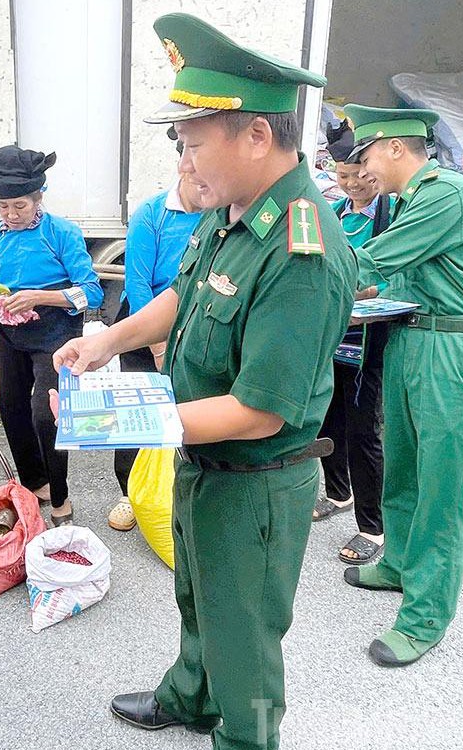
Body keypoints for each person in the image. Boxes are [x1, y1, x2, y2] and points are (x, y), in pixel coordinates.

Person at [53, 15, 355, 748]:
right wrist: (108, 344)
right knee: (199, 600)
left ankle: (244, 737)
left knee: (243, 635)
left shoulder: (300, 247)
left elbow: (258, 413)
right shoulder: (233, 216)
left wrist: (127, 421)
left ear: (255, 135)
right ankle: (190, 697)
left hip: (254, 477)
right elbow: (184, 296)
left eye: (193, 142)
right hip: (205, 461)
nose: (186, 160)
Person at [341, 103, 463, 667]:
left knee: (442, 487)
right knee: (404, 464)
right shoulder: (408, 201)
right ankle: (399, 562)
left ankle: (426, 616)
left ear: (393, 147)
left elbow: (369, 262)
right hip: (412, 338)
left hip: (454, 351)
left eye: (366, 157)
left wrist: (296, 279)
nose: (363, 172)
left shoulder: (445, 193)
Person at [0, 140, 102, 527]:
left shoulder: (62, 233)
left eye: (20, 205)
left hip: (56, 333)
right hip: (9, 335)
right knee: (12, 409)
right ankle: (34, 482)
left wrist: (41, 296)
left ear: (39, 197)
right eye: (3, 207)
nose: (12, 214)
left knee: (45, 413)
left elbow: (91, 292)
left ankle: (60, 492)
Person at [108, 130, 203, 532]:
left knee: (189, 413)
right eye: (195, 177)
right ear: (182, 166)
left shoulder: (221, 212)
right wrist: (158, 343)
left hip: (197, 329)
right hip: (145, 327)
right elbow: (138, 282)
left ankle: (180, 491)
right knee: (137, 412)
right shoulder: (152, 213)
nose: (203, 188)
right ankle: (129, 493)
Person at [311, 120, 395, 565]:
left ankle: (372, 526)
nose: (349, 183)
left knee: (364, 430)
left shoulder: (393, 216)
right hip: (333, 333)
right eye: (341, 176)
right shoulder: (336, 213)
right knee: (327, 416)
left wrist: (352, 288)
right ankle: (338, 491)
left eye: (356, 174)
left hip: (368, 341)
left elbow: (390, 277)